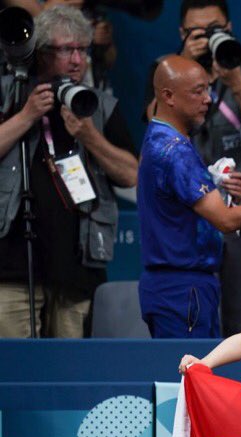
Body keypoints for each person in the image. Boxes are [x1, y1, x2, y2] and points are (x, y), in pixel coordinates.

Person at [137, 55, 241, 338]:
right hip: (183, 292)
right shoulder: (176, 152)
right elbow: (225, 221)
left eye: (208, 89)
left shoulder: (158, 139)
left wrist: (221, 192)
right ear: (168, 96)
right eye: (198, 91)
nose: (208, 99)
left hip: (177, 288)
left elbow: (187, 209)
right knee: (189, 380)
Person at [0, 5, 137, 338]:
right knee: (16, 370)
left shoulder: (100, 105)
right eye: (66, 50)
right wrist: (26, 116)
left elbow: (132, 174)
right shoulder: (10, 91)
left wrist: (90, 136)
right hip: (13, 266)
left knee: (67, 366)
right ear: (42, 53)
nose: (77, 60)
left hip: (77, 267)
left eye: (82, 50)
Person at [144, 0, 241, 337]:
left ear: (229, 28)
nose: (206, 38)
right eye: (197, 31)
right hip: (189, 213)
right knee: (194, 317)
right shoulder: (168, 69)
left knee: (235, 315)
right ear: (182, 33)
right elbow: (155, 123)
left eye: (214, 29)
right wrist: (189, 68)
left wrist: (234, 82)